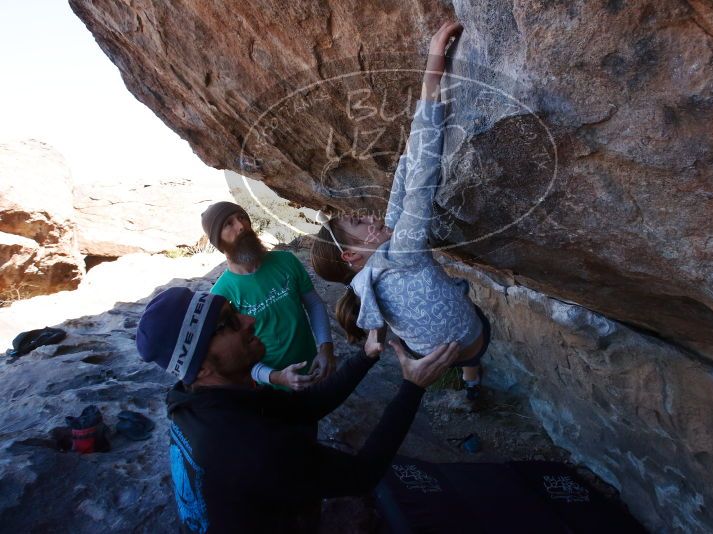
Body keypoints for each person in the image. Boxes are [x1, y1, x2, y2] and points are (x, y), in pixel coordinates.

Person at [135, 287, 459, 533]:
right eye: (230, 323)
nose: (250, 320)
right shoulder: (247, 445)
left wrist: (365, 356)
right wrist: (413, 387)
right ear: (202, 366)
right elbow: (363, 474)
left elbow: (306, 407)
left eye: (237, 311)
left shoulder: (196, 398)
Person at [310, 21, 491, 401]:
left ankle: (471, 384)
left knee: (458, 328)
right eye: (358, 223)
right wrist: (433, 67)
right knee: (467, 314)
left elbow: (405, 175)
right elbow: (422, 178)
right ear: (351, 254)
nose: (371, 217)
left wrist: (409, 146)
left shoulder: (367, 278)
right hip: (474, 336)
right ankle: (472, 376)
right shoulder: (402, 253)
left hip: (438, 351)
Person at [201, 201, 334, 391]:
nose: (241, 226)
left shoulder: (285, 260)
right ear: (217, 241)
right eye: (228, 224)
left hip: (313, 367)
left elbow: (313, 303)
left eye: (242, 217)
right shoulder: (221, 295)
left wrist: (325, 347)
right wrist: (276, 377)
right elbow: (235, 358)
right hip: (270, 387)